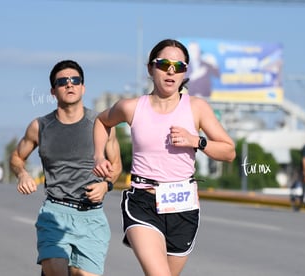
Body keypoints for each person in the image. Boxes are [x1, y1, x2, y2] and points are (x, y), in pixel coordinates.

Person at [93, 39, 236, 276]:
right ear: (150, 68)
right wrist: (99, 155)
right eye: (164, 64)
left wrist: (196, 141)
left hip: (183, 207)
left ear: (185, 72)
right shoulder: (131, 107)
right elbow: (101, 121)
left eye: (179, 66)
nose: (171, 70)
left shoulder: (196, 108)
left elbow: (229, 151)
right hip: (143, 202)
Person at [10, 60, 122, 276]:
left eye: (75, 81)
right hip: (55, 212)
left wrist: (106, 186)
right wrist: (22, 174)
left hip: (92, 216)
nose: (69, 85)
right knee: (55, 269)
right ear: (53, 91)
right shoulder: (39, 126)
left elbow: (116, 165)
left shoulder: (102, 125)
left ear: (83, 87)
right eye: (62, 82)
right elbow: (16, 157)